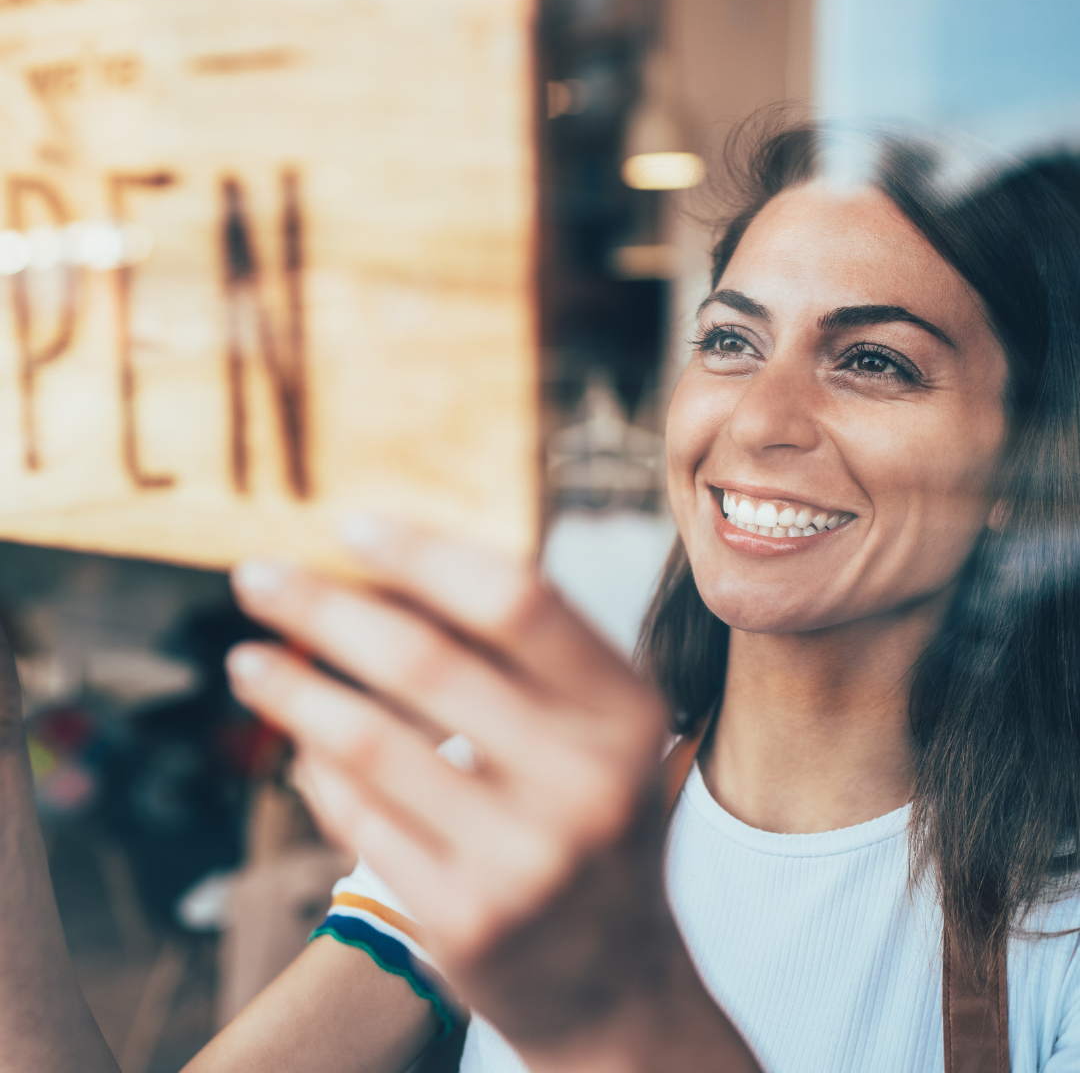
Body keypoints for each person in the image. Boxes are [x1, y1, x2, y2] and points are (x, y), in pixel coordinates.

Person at [1, 119, 1080, 1072]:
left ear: (1028, 459)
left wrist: (615, 1009)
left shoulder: (1059, 937)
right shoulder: (526, 811)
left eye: (875, 363)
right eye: (730, 341)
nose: (757, 421)